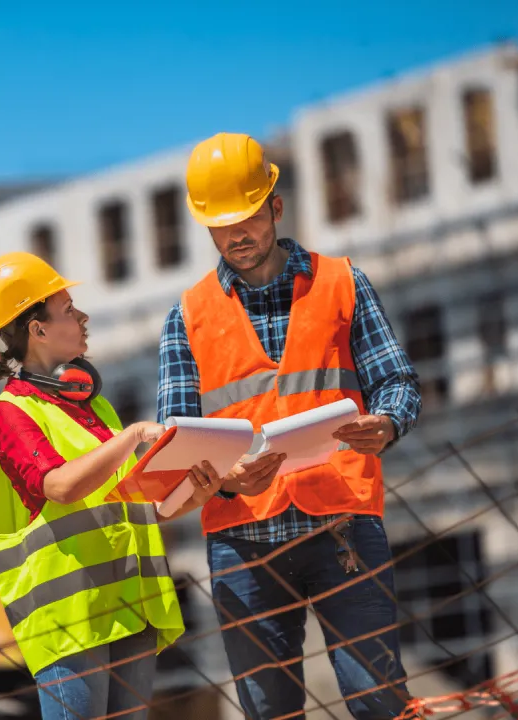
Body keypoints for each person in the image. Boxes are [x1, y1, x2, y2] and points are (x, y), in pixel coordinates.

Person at [157, 133, 423, 720]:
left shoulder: (343, 282)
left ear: (275, 206)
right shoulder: (187, 317)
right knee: (269, 713)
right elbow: (174, 455)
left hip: (344, 525)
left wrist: (388, 423)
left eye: (247, 218)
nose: (236, 237)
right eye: (221, 226)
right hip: (243, 544)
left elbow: (397, 382)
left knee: (381, 703)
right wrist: (227, 481)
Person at [0, 252, 216, 720]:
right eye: (68, 310)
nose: (83, 317)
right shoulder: (9, 414)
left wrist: (189, 497)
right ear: (37, 330)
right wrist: (132, 437)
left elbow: (130, 508)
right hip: (71, 622)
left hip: (131, 605)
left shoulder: (93, 409)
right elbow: (60, 486)